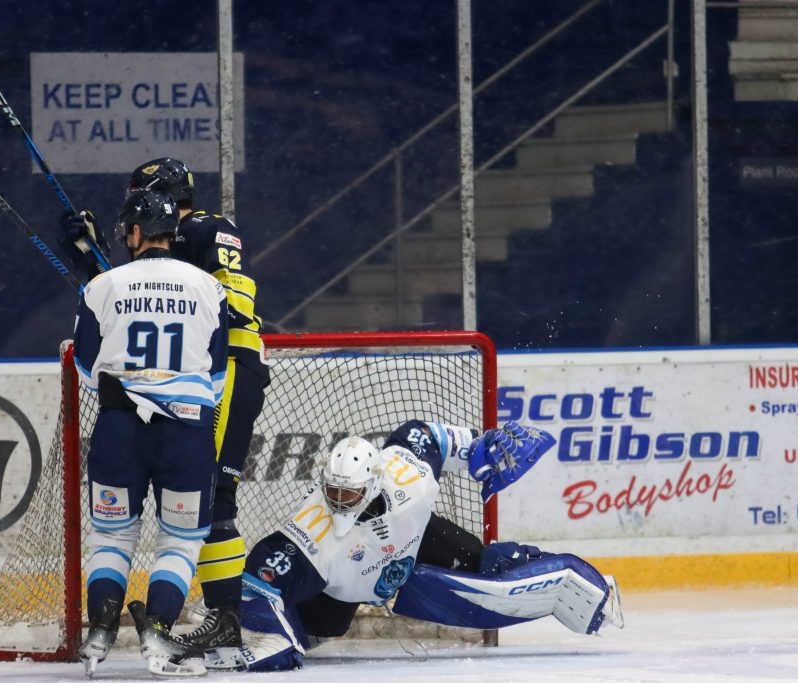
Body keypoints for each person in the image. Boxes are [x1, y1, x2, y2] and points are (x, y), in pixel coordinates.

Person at [60, 158, 271, 659]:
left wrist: (100, 269)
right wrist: (95, 264)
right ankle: (220, 618)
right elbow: (153, 295)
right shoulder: (185, 247)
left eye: (138, 194)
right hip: (205, 377)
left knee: (214, 500)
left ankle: (224, 620)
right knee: (203, 509)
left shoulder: (203, 227)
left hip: (229, 364)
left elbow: (158, 294)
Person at [209, 420, 623, 672]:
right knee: (323, 627)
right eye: (332, 491)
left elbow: (428, 436)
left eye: (349, 494)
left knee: (485, 568)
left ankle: (587, 587)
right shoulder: (311, 531)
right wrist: (261, 630)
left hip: (413, 543)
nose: (338, 502)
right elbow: (263, 571)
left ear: (372, 483)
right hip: (343, 584)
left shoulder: (406, 473)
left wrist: (484, 447)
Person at [71, 189, 229, 678]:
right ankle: (157, 627)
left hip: (120, 429)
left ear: (136, 232)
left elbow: (85, 368)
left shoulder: (103, 285)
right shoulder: (208, 286)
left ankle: (100, 627)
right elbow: (218, 375)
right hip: (187, 431)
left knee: (112, 536)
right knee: (180, 543)